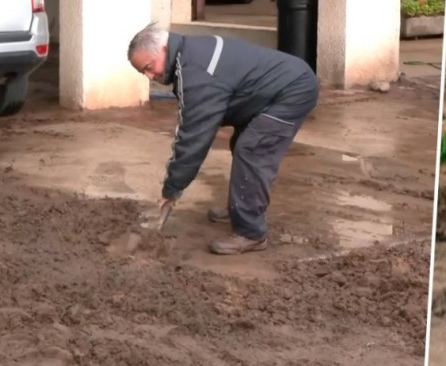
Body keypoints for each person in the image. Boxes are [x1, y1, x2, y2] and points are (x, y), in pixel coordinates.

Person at [127, 24, 319, 255]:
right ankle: (242, 206)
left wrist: (172, 189)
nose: (150, 76)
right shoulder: (189, 54)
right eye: (143, 73)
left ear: (164, 49)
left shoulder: (196, 72)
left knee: (252, 149)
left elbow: (193, 139)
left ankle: (251, 233)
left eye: (149, 67)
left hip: (292, 90)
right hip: (269, 89)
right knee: (242, 144)